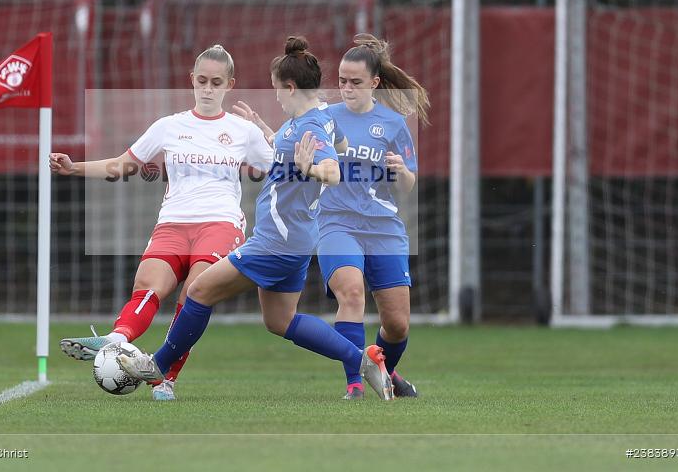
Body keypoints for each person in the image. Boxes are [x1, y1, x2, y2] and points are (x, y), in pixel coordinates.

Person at [116, 36, 395, 401]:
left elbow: (333, 169)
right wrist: (268, 131)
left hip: (275, 241)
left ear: (291, 88)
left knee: (199, 291)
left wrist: (312, 167)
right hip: (297, 237)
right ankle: (363, 361)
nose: (276, 96)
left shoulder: (306, 129)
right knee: (279, 321)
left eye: (277, 89)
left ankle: (158, 364)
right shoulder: (323, 115)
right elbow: (339, 146)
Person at [49, 44, 273, 401]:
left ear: (231, 84)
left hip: (220, 223)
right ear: (191, 81)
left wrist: (269, 134)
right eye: (202, 80)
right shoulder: (169, 126)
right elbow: (125, 163)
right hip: (172, 223)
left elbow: (282, 168)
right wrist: (74, 167)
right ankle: (115, 339)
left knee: (194, 294)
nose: (208, 88)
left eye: (216, 82)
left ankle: (165, 376)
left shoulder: (243, 131)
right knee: (148, 286)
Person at [317, 33, 429, 399]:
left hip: (383, 227)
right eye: (341, 81)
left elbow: (408, 185)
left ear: (375, 83)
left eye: (356, 82)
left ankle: (386, 372)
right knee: (351, 293)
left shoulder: (394, 124)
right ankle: (354, 384)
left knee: (396, 324)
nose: (346, 88)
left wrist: (401, 172)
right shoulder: (325, 119)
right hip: (336, 221)